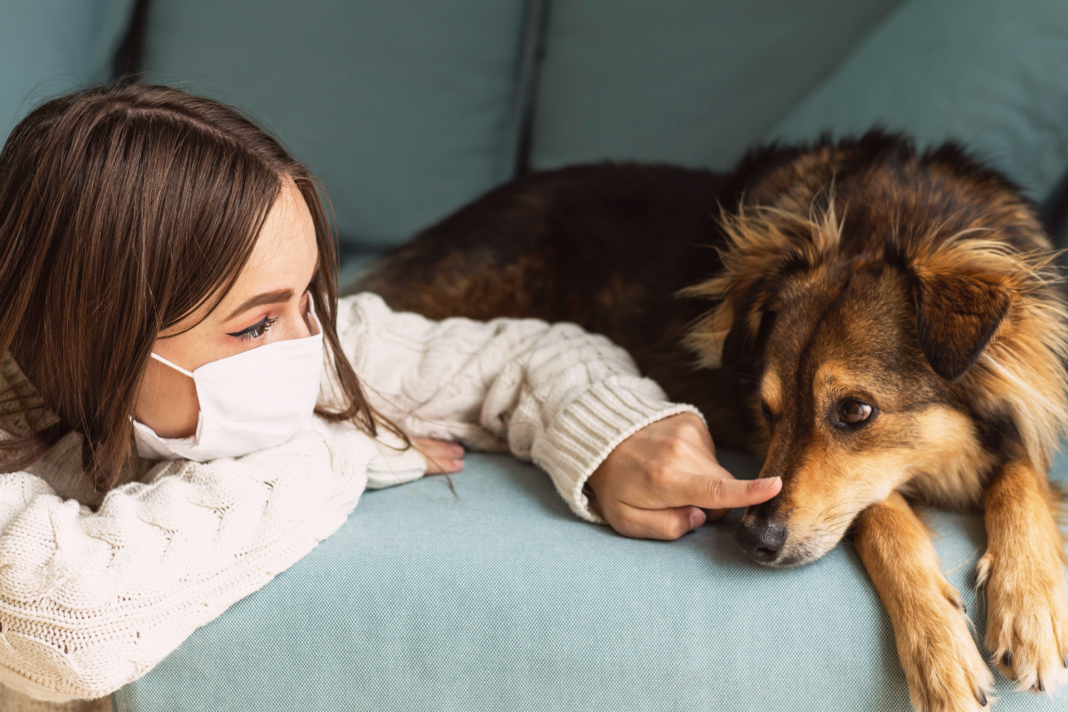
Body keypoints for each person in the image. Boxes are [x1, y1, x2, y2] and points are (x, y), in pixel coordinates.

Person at [0, 84, 781, 702]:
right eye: (253, 326)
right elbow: (61, 617)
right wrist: (338, 444)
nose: (307, 350)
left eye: (304, 296)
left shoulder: (305, 343)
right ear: (97, 331)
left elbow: (523, 356)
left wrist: (621, 436)